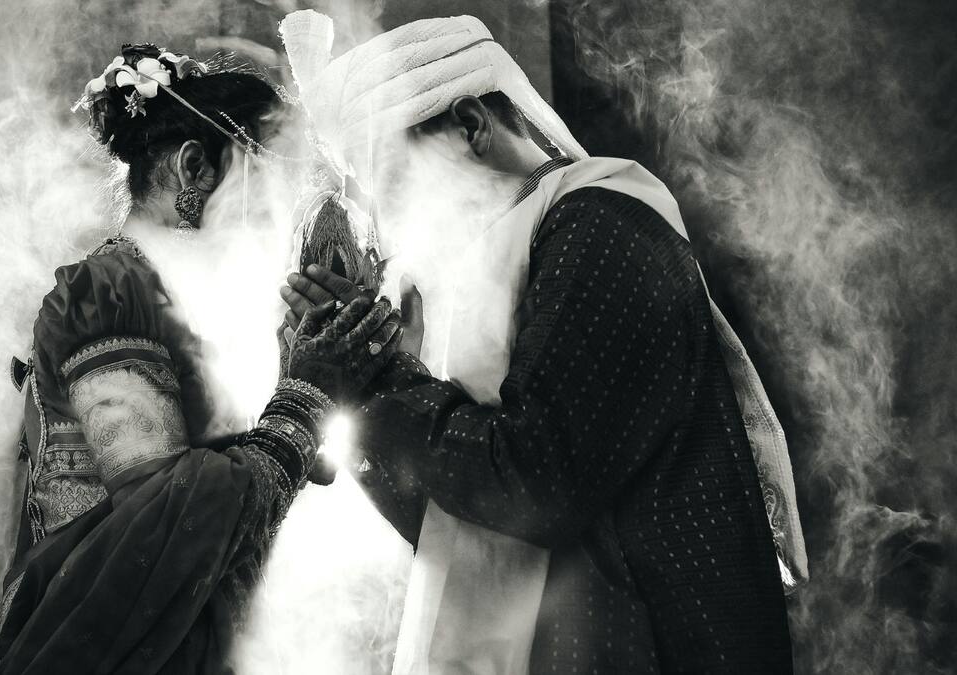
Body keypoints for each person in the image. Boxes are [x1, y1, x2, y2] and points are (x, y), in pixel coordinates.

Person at [278, 12, 808, 674]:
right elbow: (455, 523)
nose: (389, 226)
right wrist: (353, 387)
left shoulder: (600, 225)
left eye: (393, 182)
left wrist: (378, 377)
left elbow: (533, 484)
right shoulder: (495, 271)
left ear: (470, 125)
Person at [0, 43, 401, 674]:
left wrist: (326, 381)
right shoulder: (107, 292)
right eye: (269, 187)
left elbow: (259, 467)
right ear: (194, 166)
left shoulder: (196, 297)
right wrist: (303, 398)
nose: (279, 219)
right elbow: (165, 522)